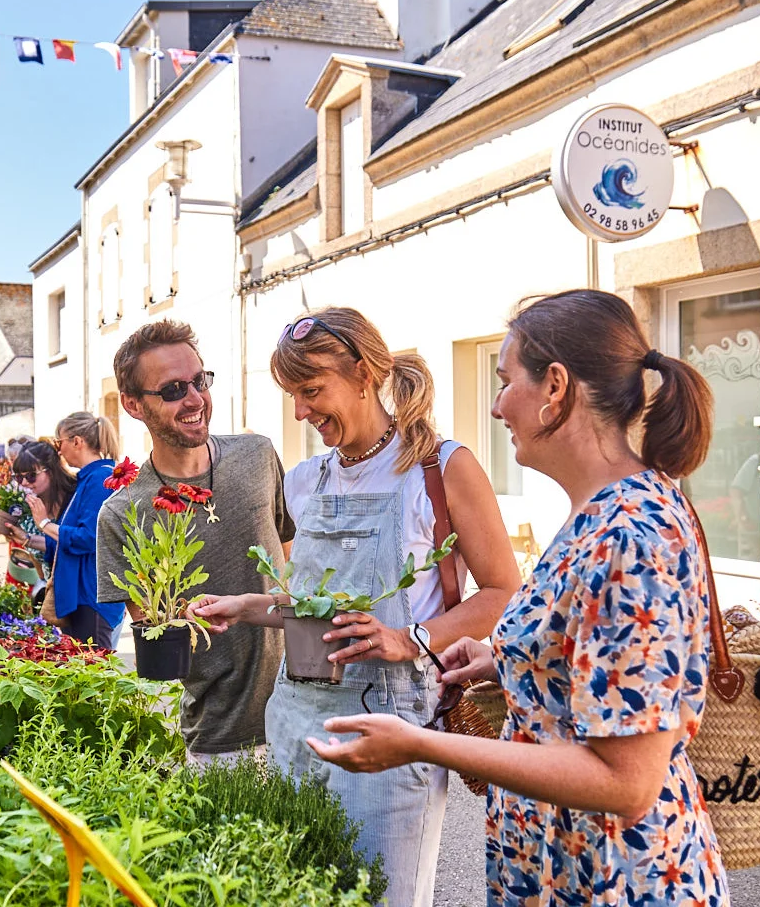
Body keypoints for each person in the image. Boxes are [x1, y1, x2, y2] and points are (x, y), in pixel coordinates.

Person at [306, 290, 726, 906]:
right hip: (568, 862)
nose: (498, 405)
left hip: (616, 878)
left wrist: (419, 743)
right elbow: (593, 663)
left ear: (555, 386)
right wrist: (504, 662)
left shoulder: (630, 536)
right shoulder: (605, 511)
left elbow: (627, 782)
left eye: (505, 380)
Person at [192, 308, 522, 907]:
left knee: (379, 897)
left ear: (366, 373)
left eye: (312, 390)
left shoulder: (442, 469)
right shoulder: (304, 479)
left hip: (393, 721)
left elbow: (502, 593)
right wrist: (250, 607)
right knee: (300, 895)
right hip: (294, 718)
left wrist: (411, 638)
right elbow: (313, 606)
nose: (301, 412)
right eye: (294, 395)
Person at [95, 320, 290, 766]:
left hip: (308, 714)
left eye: (200, 381)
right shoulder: (122, 513)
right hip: (221, 738)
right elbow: (154, 629)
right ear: (132, 405)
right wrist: (180, 617)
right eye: (173, 389)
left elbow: (296, 566)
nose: (195, 399)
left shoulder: (257, 456)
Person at [30, 413, 127, 648]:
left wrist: (45, 523)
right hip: (81, 595)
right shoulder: (89, 478)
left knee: (94, 673)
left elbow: (89, 537)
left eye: (58, 442)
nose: (58, 451)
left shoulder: (101, 477)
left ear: (77, 441)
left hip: (91, 594)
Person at [1, 440, 71, 606]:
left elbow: (76, 542)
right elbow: (46, 550)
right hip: (55, 592)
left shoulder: (73, 500)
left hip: (82, 592)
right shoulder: (30, 506)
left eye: (31, 475)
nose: (24, 483)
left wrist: (44, 524)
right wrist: (25, 538)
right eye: (18, 477)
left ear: (51, 470)